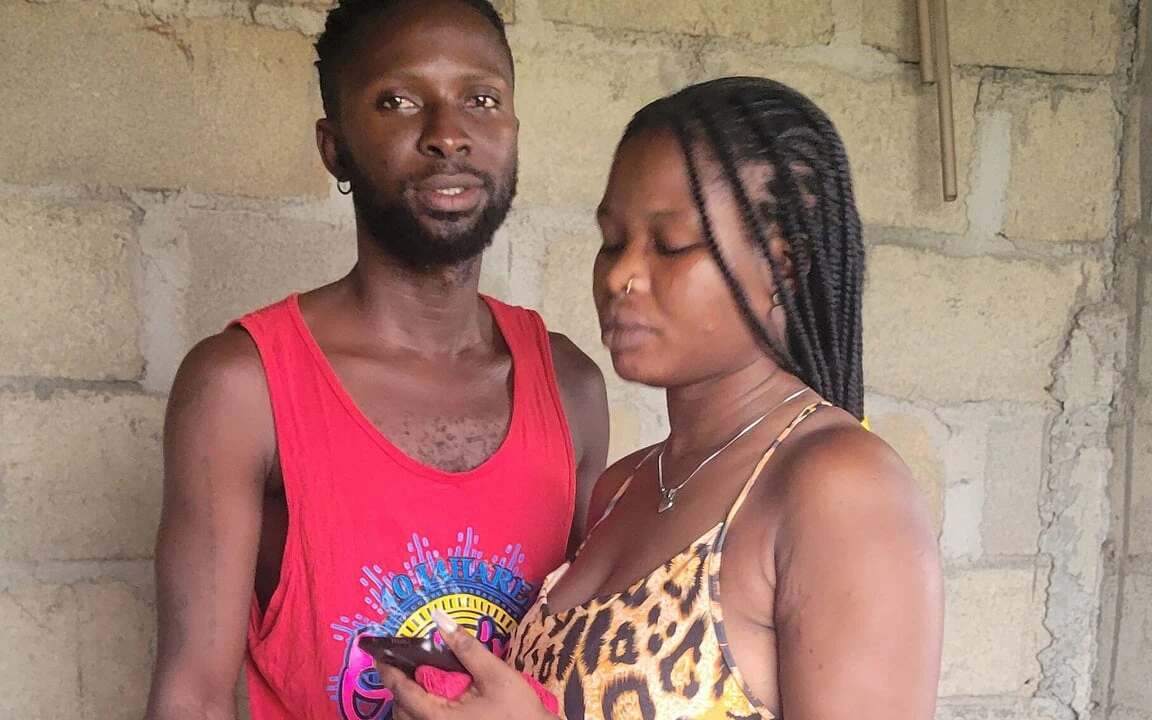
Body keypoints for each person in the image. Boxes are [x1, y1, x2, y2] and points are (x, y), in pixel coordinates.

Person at [376, 76, 944, 720]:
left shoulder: (840, 488)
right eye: (612, 241)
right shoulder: (621, 488)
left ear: (783, 263)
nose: (620, 275)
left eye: (670, 246)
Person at [143, 1, 610, 719]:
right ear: (334, 148)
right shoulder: (243, 386)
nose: (448, 134)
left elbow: (585, 668)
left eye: (482, 99)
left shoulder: (570, 387)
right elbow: (193, 698)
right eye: (398, 101)